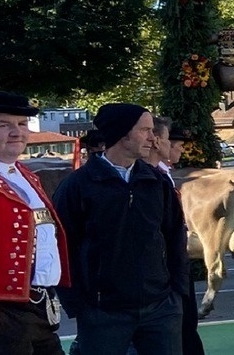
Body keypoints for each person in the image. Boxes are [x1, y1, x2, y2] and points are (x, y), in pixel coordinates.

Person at [52, 103, 188, 355]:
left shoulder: (156, 182)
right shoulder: (79, 185)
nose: (153, 138)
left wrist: (177, 293)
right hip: (102, 313)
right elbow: (62, 245)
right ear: (123, 134)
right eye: (145, 130)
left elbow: (175, 237)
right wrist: (79, 304)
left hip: (160, 309)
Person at [0, 90, 71, 355]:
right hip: (0, 314)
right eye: (4, 125)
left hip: (39, 307)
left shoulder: (25, 175)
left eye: (22, 124)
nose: (17, 132)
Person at [146, 118, 205, 355]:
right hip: (163, 267)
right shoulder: (151, 176)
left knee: (187, 323)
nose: (178, 148)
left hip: (176, 261)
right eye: (174, 142)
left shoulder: (163, 173)